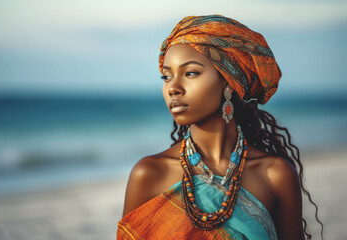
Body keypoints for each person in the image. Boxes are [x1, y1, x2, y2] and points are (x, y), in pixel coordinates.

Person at [117, 15, 323, 240]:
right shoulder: (149, 174)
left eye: (190, 73)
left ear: (228, 82)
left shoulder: (275, 175)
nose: (173, 88)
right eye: (166, 76)